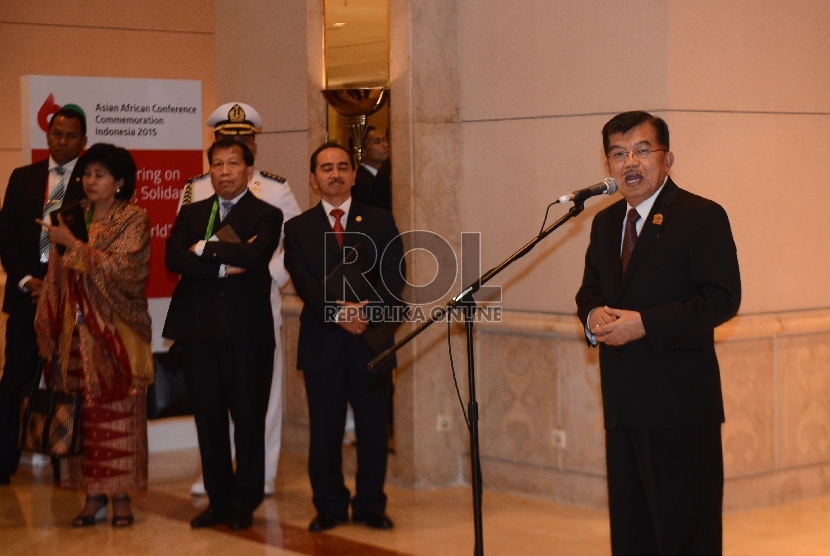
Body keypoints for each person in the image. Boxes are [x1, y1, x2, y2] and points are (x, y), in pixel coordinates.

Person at [575, 111, 741, 554]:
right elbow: (590, 291)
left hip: (681, 409)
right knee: (632, 534)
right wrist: (591, 317)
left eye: (642, 150)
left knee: (685, 533)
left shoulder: (700, 216)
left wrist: (645, 324)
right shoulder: (605, 223)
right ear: (607, 165)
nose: (630, 162)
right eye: (618, 153)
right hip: (623, 405)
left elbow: (722, 298)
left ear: (668, 158)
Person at [181, 102, 301, 497]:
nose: (230, 158)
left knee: (258, 396)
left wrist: (269, 275)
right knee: (212, 394)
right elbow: (181, 251)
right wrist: (222, 262)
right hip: (208, 306)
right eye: (224, 146)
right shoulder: (196, 188)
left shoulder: (275, 188)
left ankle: (261, 472)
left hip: (255, 302)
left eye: (244, 141)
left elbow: (294, 243)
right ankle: (214, 471)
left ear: (253, 148)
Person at [284, 142, 405, 532]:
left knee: (373, 430)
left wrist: (364, 313)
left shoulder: (381, 220)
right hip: (324, 343)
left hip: (371, 341)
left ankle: (371, 504)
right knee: (325, 431)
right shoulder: (298, 228)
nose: (334, 173)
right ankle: (330, 506)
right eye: (325, 168)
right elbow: (305, 283)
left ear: (353, 175)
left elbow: (394, 276)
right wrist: (340, 314)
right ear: (313, 179)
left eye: (341, 167)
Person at [163, 137, 283, 530]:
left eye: (233, 164)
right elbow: (173, 258)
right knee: (208, 419)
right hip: (199, 333)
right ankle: (218, 499)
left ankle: (245, 501)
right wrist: (218, 261)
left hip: (247, 334)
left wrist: (201, 251)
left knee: (248, 420)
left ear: (249, 170)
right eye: (217, 164)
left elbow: (255, 256)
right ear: (209, 170)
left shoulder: (266, 213)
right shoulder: (192, 212)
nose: (224, 171)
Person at [34, 143, 153, 527]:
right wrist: (58, 256)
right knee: (84, 416)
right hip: (75, 333)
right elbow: (58, 273)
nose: (90, 181)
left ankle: (121, 497)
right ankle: (92, 496)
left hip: (116, 334)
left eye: (100, 175)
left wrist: (76, 247)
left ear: (119, 182)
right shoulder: (71, 215)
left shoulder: (134, 218)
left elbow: (127, 273)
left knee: (119, 416)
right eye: (87, 174)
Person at [0, 105, 87, 485]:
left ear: (83, 141)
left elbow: (90, 244)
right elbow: (6, 237)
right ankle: (4, 460)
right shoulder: (23, 178)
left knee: (65, 382)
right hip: (26, 298)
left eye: (70, 135)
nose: (62, 141)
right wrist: (26, 282)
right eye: (56, 134)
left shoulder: (91, 183)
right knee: (14, 380)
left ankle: (63, 462)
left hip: (71, 299)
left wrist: (57, 285)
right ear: (47, 136)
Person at [351, 126, 391, 212]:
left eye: (384, 140)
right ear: (362, 151)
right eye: (377, 142)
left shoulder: (388, 174)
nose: (385, 145)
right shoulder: (359, 182)